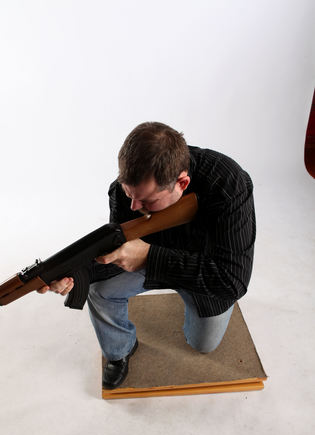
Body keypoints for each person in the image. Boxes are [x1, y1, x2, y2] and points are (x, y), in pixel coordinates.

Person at [38, 122, 256, 390]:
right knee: (100, 291)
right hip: (149, 264)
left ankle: (190, 302)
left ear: (182, 182)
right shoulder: (127, 191)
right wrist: (74, 273)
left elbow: (233, 281)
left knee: (203, 345)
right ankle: (121, 350)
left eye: (146, 201)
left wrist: (150, 257)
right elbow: (113, 256)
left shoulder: (229, 184)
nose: (134, 206)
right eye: (130, 195)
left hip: (205, 273)